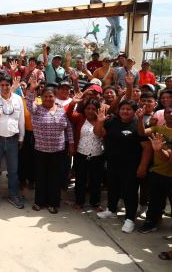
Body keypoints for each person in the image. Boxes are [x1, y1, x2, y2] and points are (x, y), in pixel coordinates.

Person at [94, 99, 152, 233]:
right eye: (122, 109)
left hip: (131, 166)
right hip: (113, 163)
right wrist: (100, 121)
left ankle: (130, 219)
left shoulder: (138, 124)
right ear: (118, 110)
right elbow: (98, 133)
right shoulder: (111, 122)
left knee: (129, 192)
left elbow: (147, 147)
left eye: (129, 109)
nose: (125, 111)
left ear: (134, 112)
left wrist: (143, 166)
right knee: (112, 187)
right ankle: (111, 210)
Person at [26, 76, 74, 214]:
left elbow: (69, 128)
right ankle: (39, 202)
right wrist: (32, 89)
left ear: (55, 97)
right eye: (45, 96)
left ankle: (53, 203)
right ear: (41, 97)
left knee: (54, 178)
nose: (48, 98)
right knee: (40, 177)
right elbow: (29, 102)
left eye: (51, 96)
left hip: (58, 150)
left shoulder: (61, 110)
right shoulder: (36, 110)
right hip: (41, 149)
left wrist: (71, 144)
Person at [0, 75, 25, 209]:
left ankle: (13, 195)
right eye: (2, 85)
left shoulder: (18, 99)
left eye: (7, 85)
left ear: (10, 85)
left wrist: (21, 138)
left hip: (13, 140)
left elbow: (21, 120)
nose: (5, 87)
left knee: (13, 171)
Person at [66, 93, 104, 210]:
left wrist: (101, 121)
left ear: (97, 110)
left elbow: (102, 134)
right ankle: (79, 202)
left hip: (97, 155)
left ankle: (95, 203)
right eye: (88, 108)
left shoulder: (102, 120)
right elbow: (69, 114)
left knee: (96, 181)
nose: (90, 111)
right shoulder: (80, 118)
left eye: (93, 109)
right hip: (81, 154)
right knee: (80, 180)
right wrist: (73, 103)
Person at [138, 106, 172, 233]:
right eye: (168, 112)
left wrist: (159, 150)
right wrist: (140, 119)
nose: (171, 114)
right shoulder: (159, 128)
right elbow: (142, 133)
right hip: (158, 172)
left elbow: (167, 157)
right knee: (154, 201)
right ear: (164, 114)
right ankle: (151, 223)